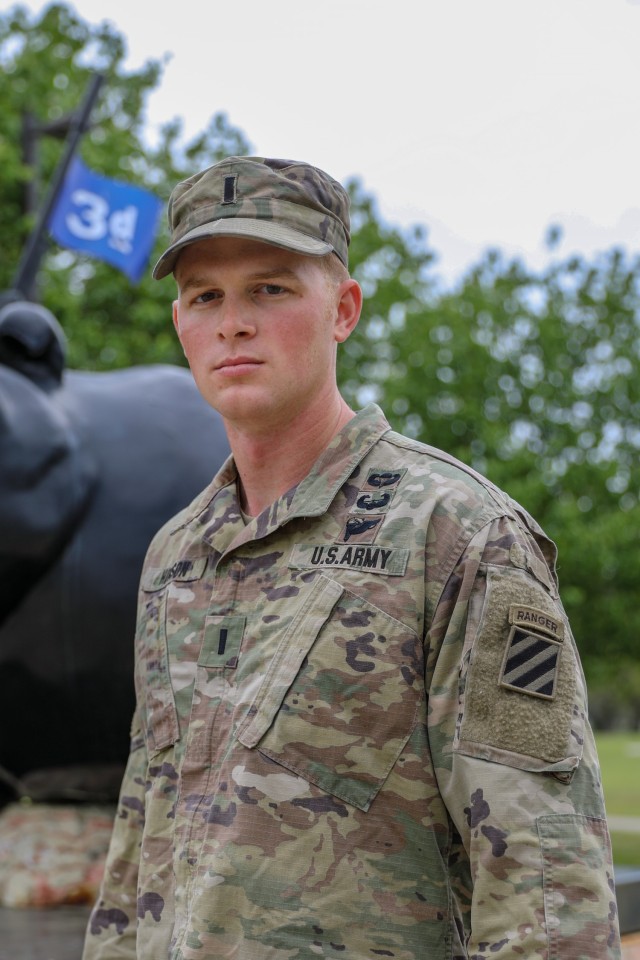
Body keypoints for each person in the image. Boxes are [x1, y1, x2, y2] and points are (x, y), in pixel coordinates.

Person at [82, 156, 621, 960]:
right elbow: (141, 836)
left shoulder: (457, 531)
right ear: (181, 326)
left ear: (344, 309)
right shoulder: (178, 556)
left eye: (270, 288)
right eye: (206, 296)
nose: (233, 322)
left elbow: (548, 889)